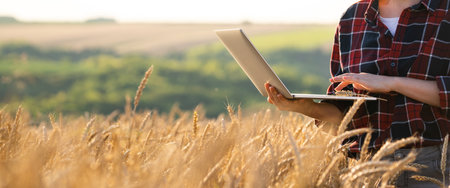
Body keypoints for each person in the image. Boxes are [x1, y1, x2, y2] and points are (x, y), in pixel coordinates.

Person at [265, 0, 450, 187]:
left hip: (433, 168)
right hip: (365, 170)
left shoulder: (445, 10)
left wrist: (391, 83)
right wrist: (306, 107)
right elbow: (345, 112)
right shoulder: (352, 17)